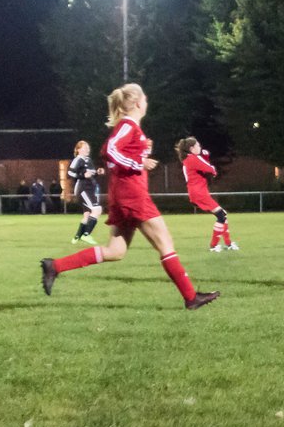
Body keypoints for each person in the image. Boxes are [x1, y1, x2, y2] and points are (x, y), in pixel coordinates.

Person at [40, 83, 219, 310]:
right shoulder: (128, 125)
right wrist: (138, 161)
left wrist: (141, 153)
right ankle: (191, 297)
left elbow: (120, 154)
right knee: (166, 244)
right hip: (132, 196)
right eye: (144, 98)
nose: (146, 102)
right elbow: (110, 150)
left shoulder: (132, 128)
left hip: (123, 195)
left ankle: (54, 266)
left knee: (115, 251)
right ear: (137, 103)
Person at [176, 137, 237, 252]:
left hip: (197, 193)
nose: (200, 147)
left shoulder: (189, 159)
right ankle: (214, 246)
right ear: (191, 148)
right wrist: (207, 159)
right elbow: (210, 169)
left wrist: (204, 159)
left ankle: (228, 244)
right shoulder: (193, 158)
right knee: (221, 216)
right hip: (199, 193)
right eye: (198, 146)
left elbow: (203, 168)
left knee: (222, 215)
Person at [67, 140, 104, 244]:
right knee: (97, 209)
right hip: (83, 189)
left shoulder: (88, 160)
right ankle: (86, 234)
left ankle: (77, 237)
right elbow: (70, 173)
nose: (87, 149)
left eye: (88, 147)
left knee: (87, 215)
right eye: (84, 147)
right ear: (78, 150)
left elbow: (90, 174)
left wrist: (97, 172)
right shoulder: (78, 160)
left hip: (89, 189)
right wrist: (82, 175)